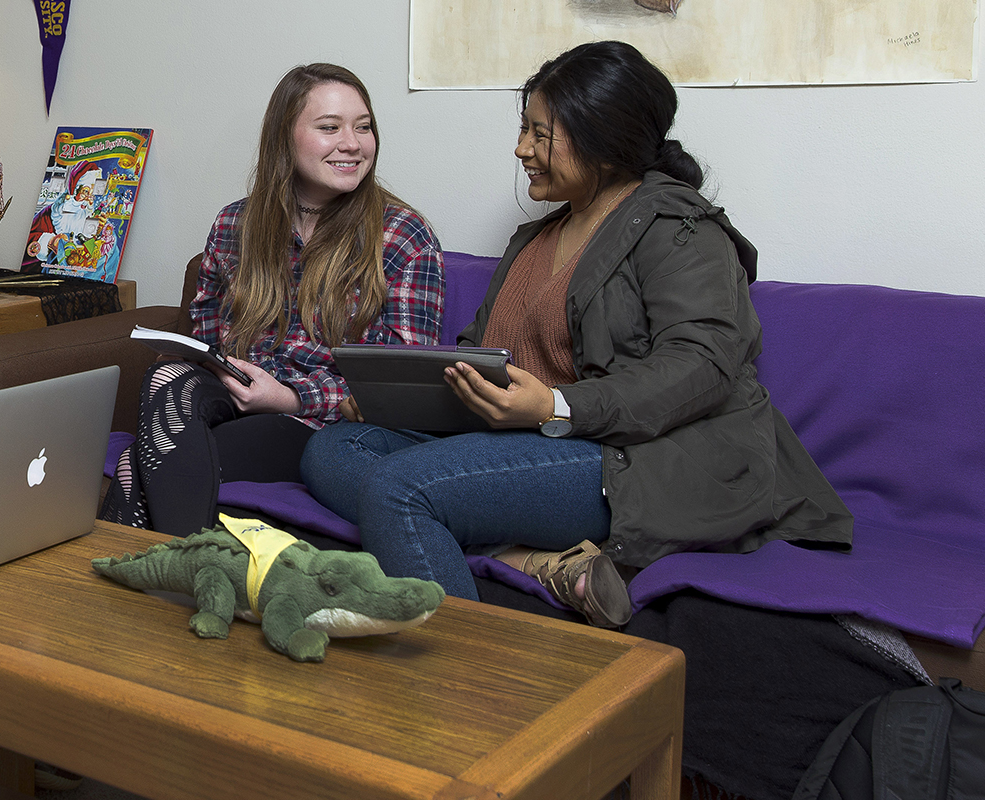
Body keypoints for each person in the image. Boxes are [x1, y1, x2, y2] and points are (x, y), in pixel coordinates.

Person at [299, 41, 852, 627]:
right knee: (332, 448)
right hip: (530, 442)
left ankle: (466, 686)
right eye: (524, 130)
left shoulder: (678, 228)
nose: (522, 150)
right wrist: (402, 398)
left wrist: (557, 405)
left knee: (399, 486)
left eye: (540, 135)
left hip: (632, 457)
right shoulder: (535, 238)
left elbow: (703, 364)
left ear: (604, 141)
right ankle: (535, 561)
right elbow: (484, 351)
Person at [101, 63, 444, 536]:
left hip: (317, 426)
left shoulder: (402, 235)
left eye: (363, 127)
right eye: (330, 128)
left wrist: (287, 397)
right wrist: (221, 369)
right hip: (230, 396)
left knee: (141, 464)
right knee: (167, 375)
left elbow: (403, 387)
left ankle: (146, 571)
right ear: (285, 137)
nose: (353, 143)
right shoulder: (233, 225)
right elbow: (204, 340)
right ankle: (167, 571)